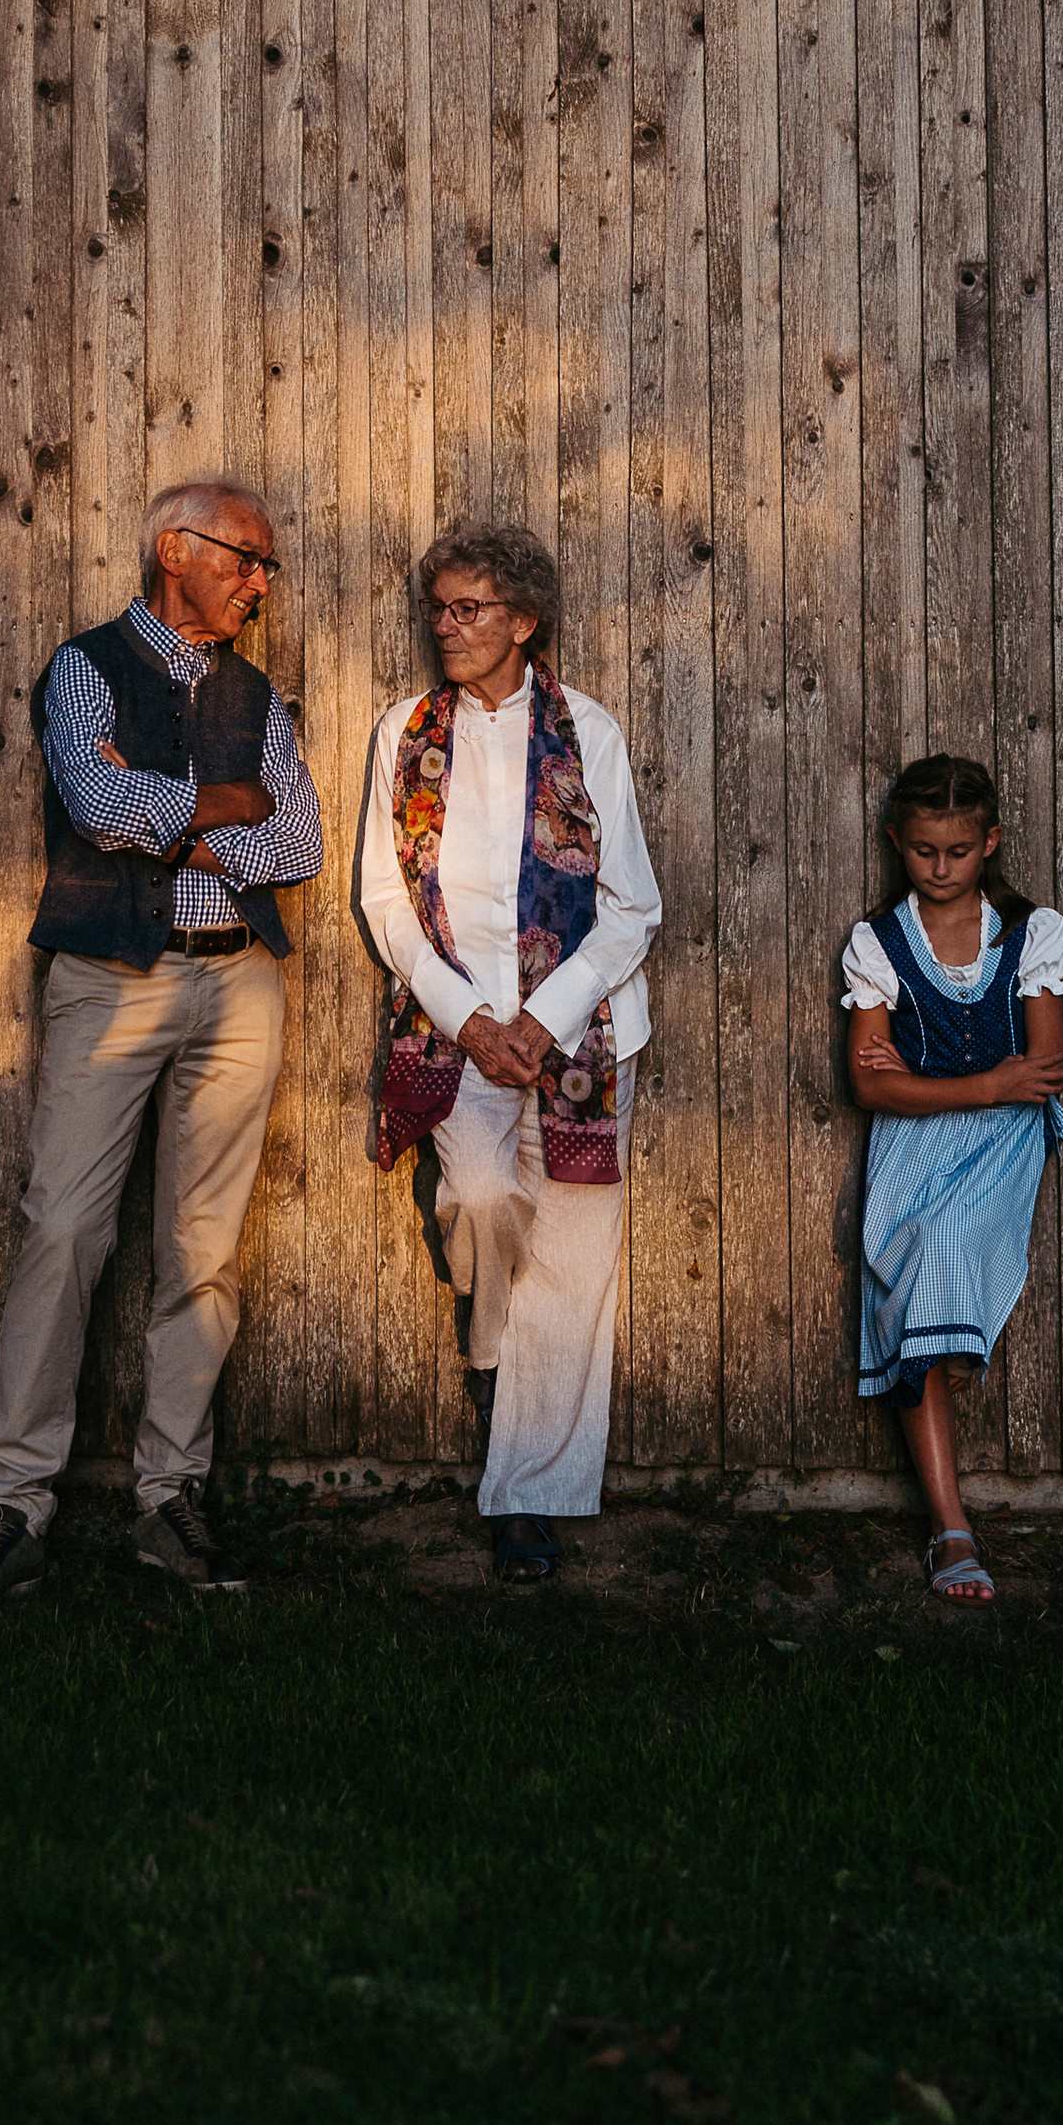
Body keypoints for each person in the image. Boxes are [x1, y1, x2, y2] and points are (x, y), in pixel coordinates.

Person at [0, 480, 323, 1608]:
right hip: (109, 983)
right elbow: (97, 804)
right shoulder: (83, 667)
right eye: (248, 558)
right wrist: (218, 803)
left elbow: (292, 838)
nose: (260, 583)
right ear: (174, 549)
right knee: (62, 1230)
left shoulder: (259, 692)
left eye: (264, 567)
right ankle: (15, 1504)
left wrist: (184, 821)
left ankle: (169, 1499)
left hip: (238, 985)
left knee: (202, 1250)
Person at [357, 522, 661, 1580]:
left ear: (522, 621)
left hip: (578, 1032)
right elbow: (382, 901)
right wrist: (470, 1020)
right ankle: (494, 1364)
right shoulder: (405, 729)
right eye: (438, 607)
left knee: (572, 1258)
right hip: (457, 1032)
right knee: (479, 1199)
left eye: (468, 608)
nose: (446, 625)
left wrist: (546, 1018)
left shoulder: (589, 731)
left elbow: (632, 905)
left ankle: (527, 1496)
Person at [840, 753, 1063, 1604]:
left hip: (1000, 1142)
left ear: (991, 844)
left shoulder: (1030, 934)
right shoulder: (878, 944)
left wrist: (927, 1077)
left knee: (937, 1253)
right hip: (912, 1144)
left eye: (960, 852)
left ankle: (950, 1530)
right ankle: (951, 1527)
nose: (941, 869)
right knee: (902, 1295)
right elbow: (871, 1086)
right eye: (924, 851)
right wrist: (984, 1080)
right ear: (899, 843)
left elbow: (1043, 1071)